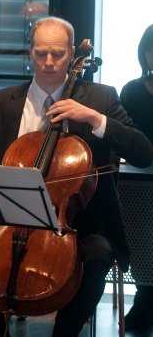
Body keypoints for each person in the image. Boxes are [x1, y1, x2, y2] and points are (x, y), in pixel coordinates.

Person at [0, 16, 153, 336]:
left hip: (77, 226)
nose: (49, 62)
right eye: (41, 53)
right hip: (7, 221)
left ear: (72, 53)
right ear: (30, 51)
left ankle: (64, 333)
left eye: (57, 54)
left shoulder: (101, 98)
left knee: (98, 256)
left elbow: (143, 153)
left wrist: (95, 119)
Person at [121, 24, 153, 332]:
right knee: (139, 235)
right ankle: (145, 295)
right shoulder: (131, 90)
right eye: (151, 49)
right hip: (138, 179)